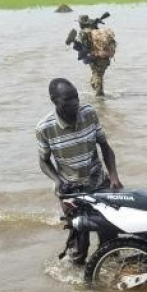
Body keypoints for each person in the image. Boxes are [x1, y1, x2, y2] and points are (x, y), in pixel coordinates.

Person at [36, 78, 123, 264]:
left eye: (76, 97)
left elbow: (105, 147)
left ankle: (109, 280)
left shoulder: (89, 113)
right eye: (68, 100)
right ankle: (80, 287)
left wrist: (114, 176)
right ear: (55, 101)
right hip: (71, 191)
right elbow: (43, 162)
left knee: (110, 240)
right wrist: (57, 180)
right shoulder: (45, 128)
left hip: (99, 184)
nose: (75, 103)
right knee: (78, 247)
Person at [65, 13, 116, 97]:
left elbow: (84, 47)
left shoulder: (84, 32)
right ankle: (100, 97)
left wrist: (75, 43)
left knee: (96, 79)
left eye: (79, 23)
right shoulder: (93, 28)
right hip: (103, 57)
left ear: (81, 23)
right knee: (96, 78)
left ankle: (100, 99)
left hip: (95, 57)